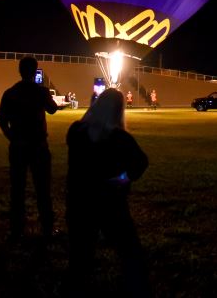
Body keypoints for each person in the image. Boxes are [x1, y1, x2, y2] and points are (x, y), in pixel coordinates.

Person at [66, 88, 150, 295]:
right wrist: (123, 178)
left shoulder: (76, 131)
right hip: (110, 203)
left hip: (79, 201)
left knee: (80, 253)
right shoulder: (120, 138)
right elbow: (140, 162)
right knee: (130, 251)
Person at [0, 56, 59, 241]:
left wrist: (11, 137)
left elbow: (1, 120)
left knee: (17, 188)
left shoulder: (10, 93)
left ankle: (17, 228)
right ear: (35, 71)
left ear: (20, 71)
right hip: (39, 146)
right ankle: (47, 227)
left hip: (18, 147)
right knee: (42, 188)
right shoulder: (41, 92)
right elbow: (53, 109)